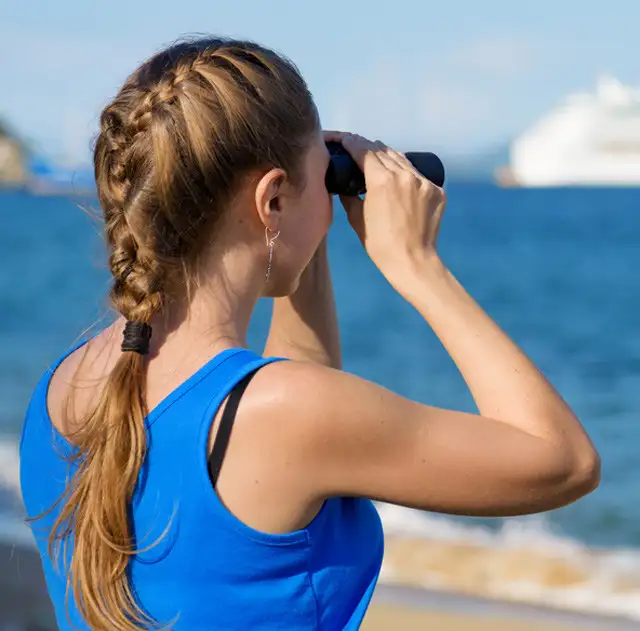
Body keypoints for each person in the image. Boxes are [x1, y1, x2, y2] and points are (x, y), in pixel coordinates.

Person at [19, 36, 600, 631]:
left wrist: (303, 206)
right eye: (319, 186)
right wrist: (417, 266)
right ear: (270, 200)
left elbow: (293, 394)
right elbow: (564, 460)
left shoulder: (60, 390)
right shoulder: (283, 415)